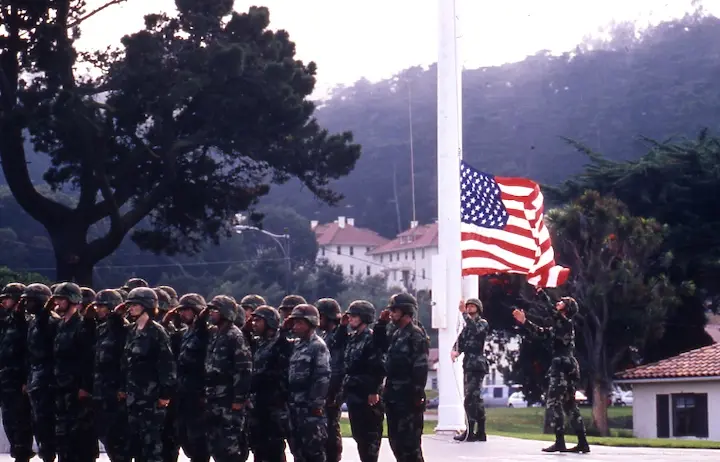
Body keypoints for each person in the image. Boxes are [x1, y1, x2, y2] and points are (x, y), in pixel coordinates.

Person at [512, 291, 590, 453]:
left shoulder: (565, 322)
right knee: (569, 405)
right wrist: (525, 322)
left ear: (566, 309)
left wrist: (541, 293)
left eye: (562, 301)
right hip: (567, 366)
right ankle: (582, 442)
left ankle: (560, 442)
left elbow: (551, 311)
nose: (558, 302)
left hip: (561, 366)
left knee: (554, 403)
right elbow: (541, 333)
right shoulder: (560, 326)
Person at [380, 293, 429, 462]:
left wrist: (416, 393)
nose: (391, 313)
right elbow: (379, 345)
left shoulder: (415, 334)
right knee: (396, 443)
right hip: (393, 397)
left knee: (410, 446)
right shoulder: (396, 333)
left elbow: (420, 366)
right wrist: (381, 323)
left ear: (406, 311)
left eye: (395, 310)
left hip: (408, 398)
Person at [286, 304, 331, 462]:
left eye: (300, 323)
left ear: (311, 324)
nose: (296, 326)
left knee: (313, 452)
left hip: (309, 409)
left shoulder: (317, 346)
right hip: (295, 406)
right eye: (295, 322)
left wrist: (315, 405)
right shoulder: (297, 345)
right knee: (298, 452)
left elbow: (322, 377)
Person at [342, 300, 385, 462]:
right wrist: (341, 326)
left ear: (364, 317)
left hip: (368, 395)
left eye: (354, 316)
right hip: (354, 393)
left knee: (370, 439)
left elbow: (378, 366)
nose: (350, 319)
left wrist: (374, 390)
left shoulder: (371, 338)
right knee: (359, 436)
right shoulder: (352, 338)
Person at [451, 298, 489, 442]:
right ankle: (480, 431)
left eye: (473, 306)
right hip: (469, 364)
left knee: (470, 399)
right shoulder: (467, 326)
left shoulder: (482, 323)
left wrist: (464, 315)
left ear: (478, 308)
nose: (470, 308)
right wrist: (455, 351)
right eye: (468, 306)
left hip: (477, 364)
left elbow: (476, 330)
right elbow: (461, 341)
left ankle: (471, 431)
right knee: (475, 398)